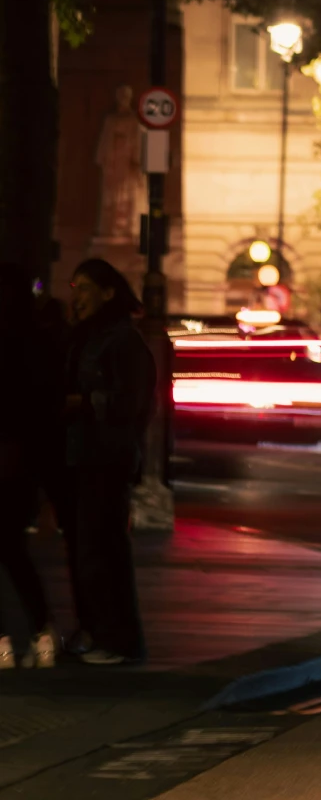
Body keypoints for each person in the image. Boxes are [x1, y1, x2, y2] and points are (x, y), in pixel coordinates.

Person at [61, 258, 152, 665]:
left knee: (103, 548)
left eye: (83, 287)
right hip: (83, 452)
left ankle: (117, 638)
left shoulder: (122, 341)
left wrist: (84, 403)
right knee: (87, 547)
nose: (76, 296)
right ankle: (96, 630)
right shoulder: (88, 336)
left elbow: (129, 403)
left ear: (108, 292)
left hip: (106, 455)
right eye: (73, 287)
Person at [0, 266, 62, 669]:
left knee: (8, 549)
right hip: (19, 460)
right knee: (12, 550)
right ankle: (40, 634)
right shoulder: (38, 342)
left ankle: (10, 640)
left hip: (10, 455)